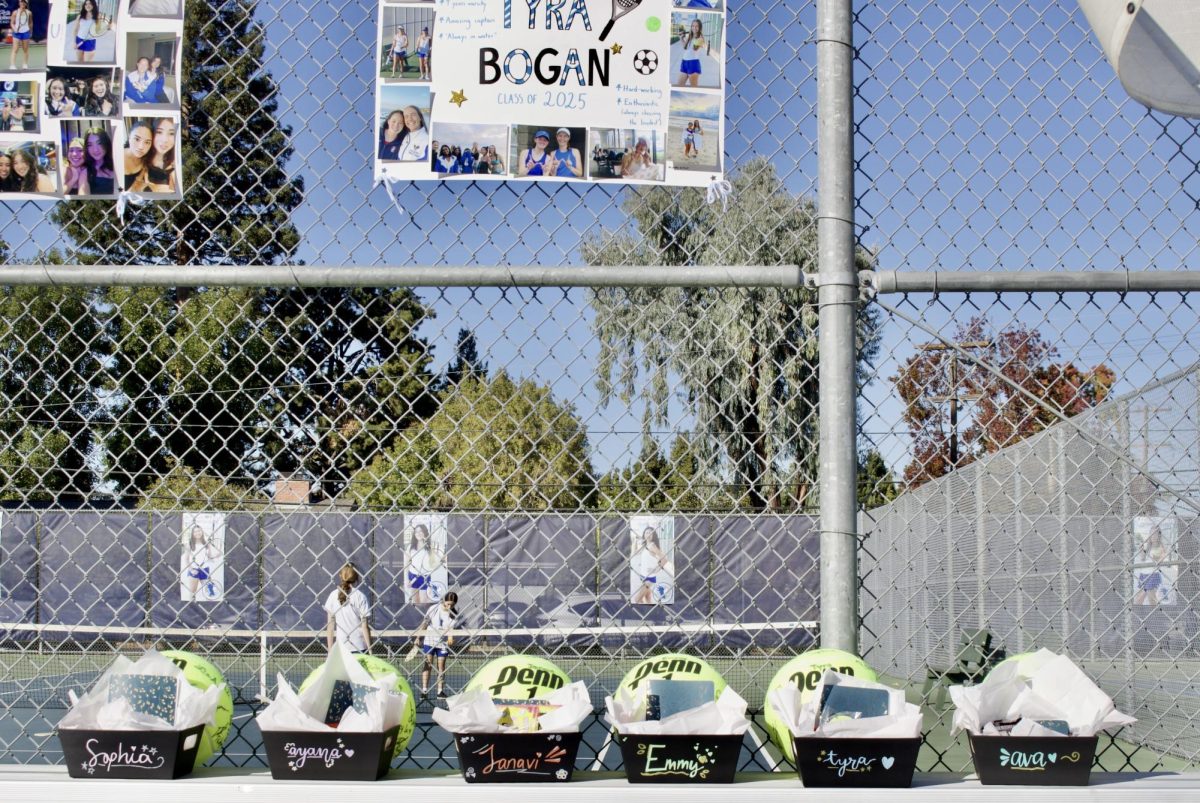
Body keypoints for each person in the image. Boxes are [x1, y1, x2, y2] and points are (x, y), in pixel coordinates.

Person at [411, 591, 458, 698]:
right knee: (428, 665)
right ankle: (424, 691)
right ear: (444, 601)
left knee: (441, 667)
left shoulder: (454, 615)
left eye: (452, 604)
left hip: (442, 644)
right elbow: (425, 623)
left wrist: (451, 639)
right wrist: (419, 637)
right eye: (448, 603)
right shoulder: (433, 609)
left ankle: (440, 692)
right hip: (429, 641)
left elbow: (450, 630)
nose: (449, 606)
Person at [325, 563, 371, 653]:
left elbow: (330, 627)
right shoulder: (360, 596)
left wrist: (330, 651)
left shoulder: (332, 596)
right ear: (356, 577)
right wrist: (370, 650)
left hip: (341, 648)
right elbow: (365, 627)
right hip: (360, 647)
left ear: (340, 576)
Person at [406, 523, 444, 603]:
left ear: (425, 532)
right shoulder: (411, 547)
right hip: (412, 576)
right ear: (414, 534)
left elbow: (433, 562)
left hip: (425, 577)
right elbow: (407, 563)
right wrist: (407, 579)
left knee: (424, 601)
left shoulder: (430, 546)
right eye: (416, 532)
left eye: (421, 531)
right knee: (415, 601)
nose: (418, 533)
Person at [181, 524, 220, 601]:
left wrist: (216, 555)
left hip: (205, 570)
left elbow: (209, 556)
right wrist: (191, 569)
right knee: (192, 593)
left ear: (201, 531)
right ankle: (190, 608)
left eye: (199, 531)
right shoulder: (189, 544)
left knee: (209, 592)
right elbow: (186, 559)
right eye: (195, 531)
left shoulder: (206, 543)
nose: (197, 533)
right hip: (194, 570)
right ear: (192, 533)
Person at [631, 525, 669, 604]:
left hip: (649, 578)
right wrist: (635, 541)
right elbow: (634, 553)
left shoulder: (652, 546)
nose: (648, 534)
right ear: (644, 534)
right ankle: (651, 614)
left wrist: (656, 569)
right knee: (647, 598)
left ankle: (644, 614)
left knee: (637, 599)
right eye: (646, 533)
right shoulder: (645, 545)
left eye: (650, 533)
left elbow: (664, 559)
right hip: (643, 576)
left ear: (653, 536)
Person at [1135, 525, 1170, 606]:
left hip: (1153, 574)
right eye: (1151, 534)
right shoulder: (1148, 546)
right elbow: (1143, 558)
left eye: (1155, 533)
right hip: (1143, 574)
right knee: (1139, 600)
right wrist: (1141, 549)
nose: (1153, 536)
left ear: (1159, 535)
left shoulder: (1161, 546)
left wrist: (1158, 559)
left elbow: (1163, 556)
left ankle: (1154, 617)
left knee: (1150, 601)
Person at [676, 19, 709, 88]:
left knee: (694, 87)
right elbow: (685, 47)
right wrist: (681, 38)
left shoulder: (700, 38)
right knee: (679, 85)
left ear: (699, 28)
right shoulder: (689, 36)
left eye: (697, 26)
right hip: (684, 62)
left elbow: (694, 48)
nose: (694, 28)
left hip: (693, 64)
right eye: (693, 26)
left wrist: (698, 40)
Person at [84, 126, 116, 194]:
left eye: (99, 143)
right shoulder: (85, 172)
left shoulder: (117, 165)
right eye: (90, 145)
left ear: (106, 143)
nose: (95, 149)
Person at [123, 117, 152, 189]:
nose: (141, 147)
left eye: (147, 142)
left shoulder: (148, 163)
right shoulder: (114, 156)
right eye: (137, 139)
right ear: (129, 137)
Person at [9, 0, 33, 70]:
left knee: (25, 49)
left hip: (25, 32)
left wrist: (30, 32)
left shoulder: (29, 13)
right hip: (16, 33)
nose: (22, 3)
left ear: (26, 3)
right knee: (15, 49)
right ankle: (12, 65)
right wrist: (14, 29)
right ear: (19, 3)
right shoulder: (15, 12)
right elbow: (12, 23)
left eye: (24, 2)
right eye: (21, 2)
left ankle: (25, 64)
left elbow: (31, 23)